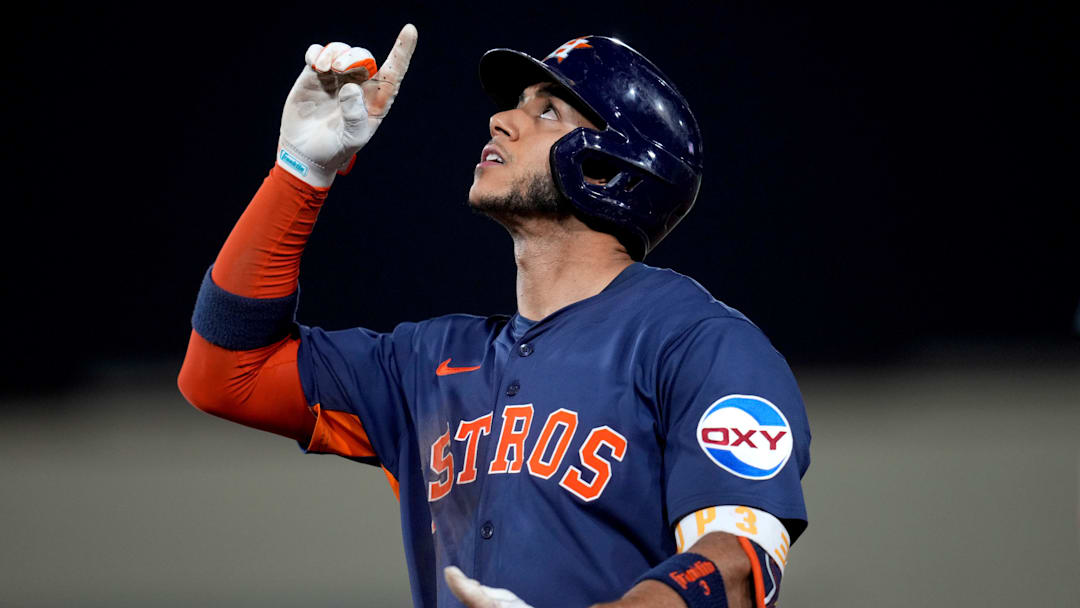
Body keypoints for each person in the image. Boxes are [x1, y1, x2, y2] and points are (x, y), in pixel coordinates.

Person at [179, 24, 810, 608]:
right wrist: (300, 173)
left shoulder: (702, 346)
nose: (501, 119)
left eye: (547, 111)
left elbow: (738, 559)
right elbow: (224, 374)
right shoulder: (426, 364)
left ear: (608, 169)